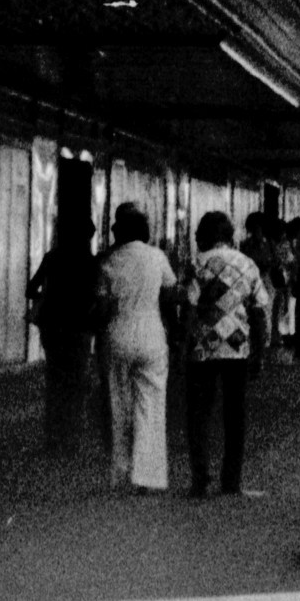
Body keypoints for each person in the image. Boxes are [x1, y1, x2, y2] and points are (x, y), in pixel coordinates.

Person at [184, 208, 269, 498]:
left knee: (199, 413)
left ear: (207, 235)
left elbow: (191, 307)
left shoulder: (196, 264)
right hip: (237, 346)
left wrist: (183, 345)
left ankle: (200, 479)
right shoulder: (247, 264)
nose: (196, 238)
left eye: (198, 233)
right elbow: (259, 311)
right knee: (235, 414)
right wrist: (259, 351)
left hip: (202, 347)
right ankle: (231, 481)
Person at [97, 201, 176, 492]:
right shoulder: (157, 257)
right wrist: (175, 333)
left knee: (119, 404)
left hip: (118, 333)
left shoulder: (109, 260)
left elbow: (103, 307)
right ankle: (148, 476)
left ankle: (121, 471)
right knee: (151, 405)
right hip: (152, 333)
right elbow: (169, 296)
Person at [30, 217, 111, 455]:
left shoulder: (51, 258)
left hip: (52, 327)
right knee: (77, 385)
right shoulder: (92, 263)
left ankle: (53, 439)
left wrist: (48, 295)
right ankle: (72, 440)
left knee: (55, 383)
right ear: (89, 237)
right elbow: (99, 296)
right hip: (80, 329)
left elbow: (30, 288)